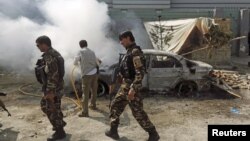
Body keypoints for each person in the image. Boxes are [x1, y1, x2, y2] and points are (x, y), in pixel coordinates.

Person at [105, 31, 160, 141]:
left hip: (131, 87)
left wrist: (133, 89)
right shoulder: (129, 52)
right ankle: (113, 131)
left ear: (128, 38)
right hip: (125, 85)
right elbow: (126, 68)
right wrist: (121, 76)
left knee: (137, 112)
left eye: (122, 39)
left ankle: (153, 134)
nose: (120, 42)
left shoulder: (135, 52)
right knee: (115, 106)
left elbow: (140, 72)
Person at [35, 35, 66, 141]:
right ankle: (60, 123)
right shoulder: (54, 53)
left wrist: (50, 92)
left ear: (44, 44)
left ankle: (60, 132)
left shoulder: (50, 56)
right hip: (57, 87)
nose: (37, 47)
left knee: (49, 108)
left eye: (38, 45)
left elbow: (53, 74)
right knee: (54, 108)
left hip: (53, 89)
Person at [74, 40, 100, 117]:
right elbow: (98, 62)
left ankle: (85, 112)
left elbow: (75, 62)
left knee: (85, 94)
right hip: (94, 73)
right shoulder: (92, 51)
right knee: (94, 90)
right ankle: (93, 105)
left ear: (80, 45)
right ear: (87, 44)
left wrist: (78, 64)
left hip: (86, 74)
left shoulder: (80, 51)